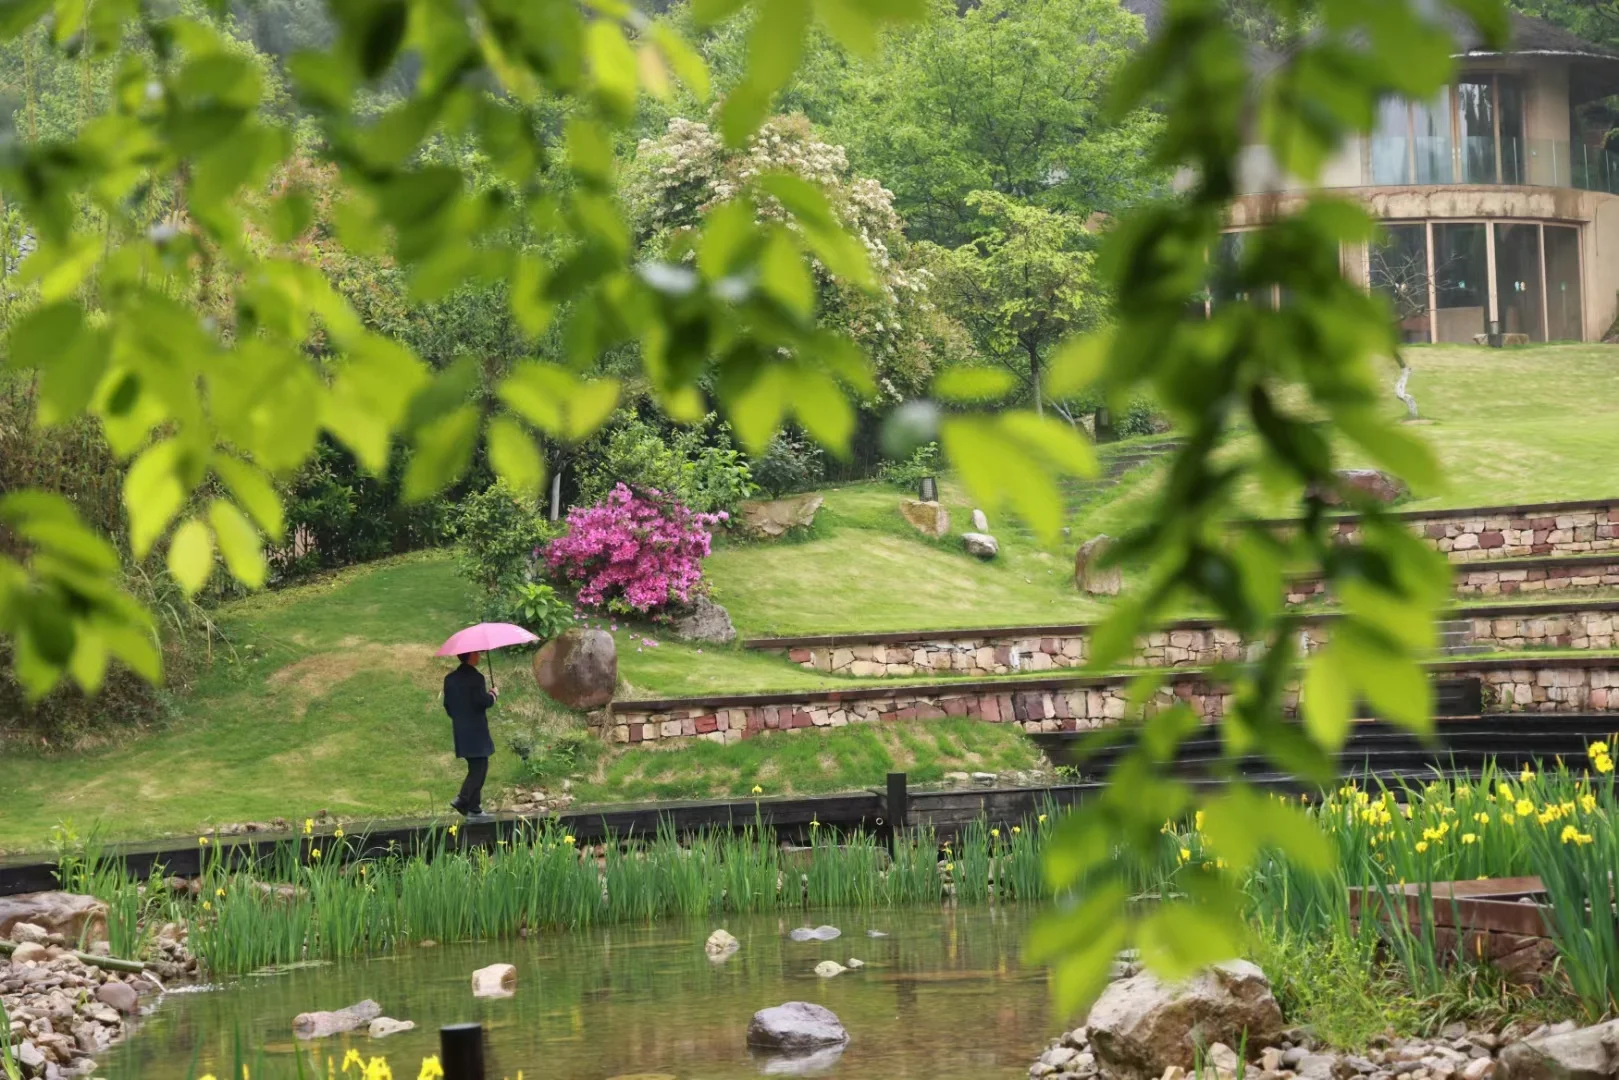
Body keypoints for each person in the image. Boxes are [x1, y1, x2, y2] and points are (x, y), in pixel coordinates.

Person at [443, 651, 498, 819]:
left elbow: (448, 705)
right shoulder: (476, 678)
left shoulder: (449, 679)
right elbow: (483, 702)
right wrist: (493, 694)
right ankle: (462, 799)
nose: (479, 655)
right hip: (476, 730)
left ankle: (475, 808)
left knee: (476, 765)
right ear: (471, 656)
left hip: (460, 729)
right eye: (477, 653)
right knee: (480, 767)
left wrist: (459, 719)